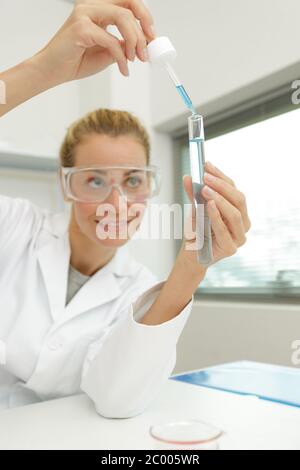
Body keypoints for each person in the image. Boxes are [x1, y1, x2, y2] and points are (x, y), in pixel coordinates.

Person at [0, 0, 251, 417]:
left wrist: (191, 266)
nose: (116, 204)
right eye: (95, 180)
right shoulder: (14, 228)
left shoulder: (140, 289)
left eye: (133, 181)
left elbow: (115, 400)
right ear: (65, 185)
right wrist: (44, 69)